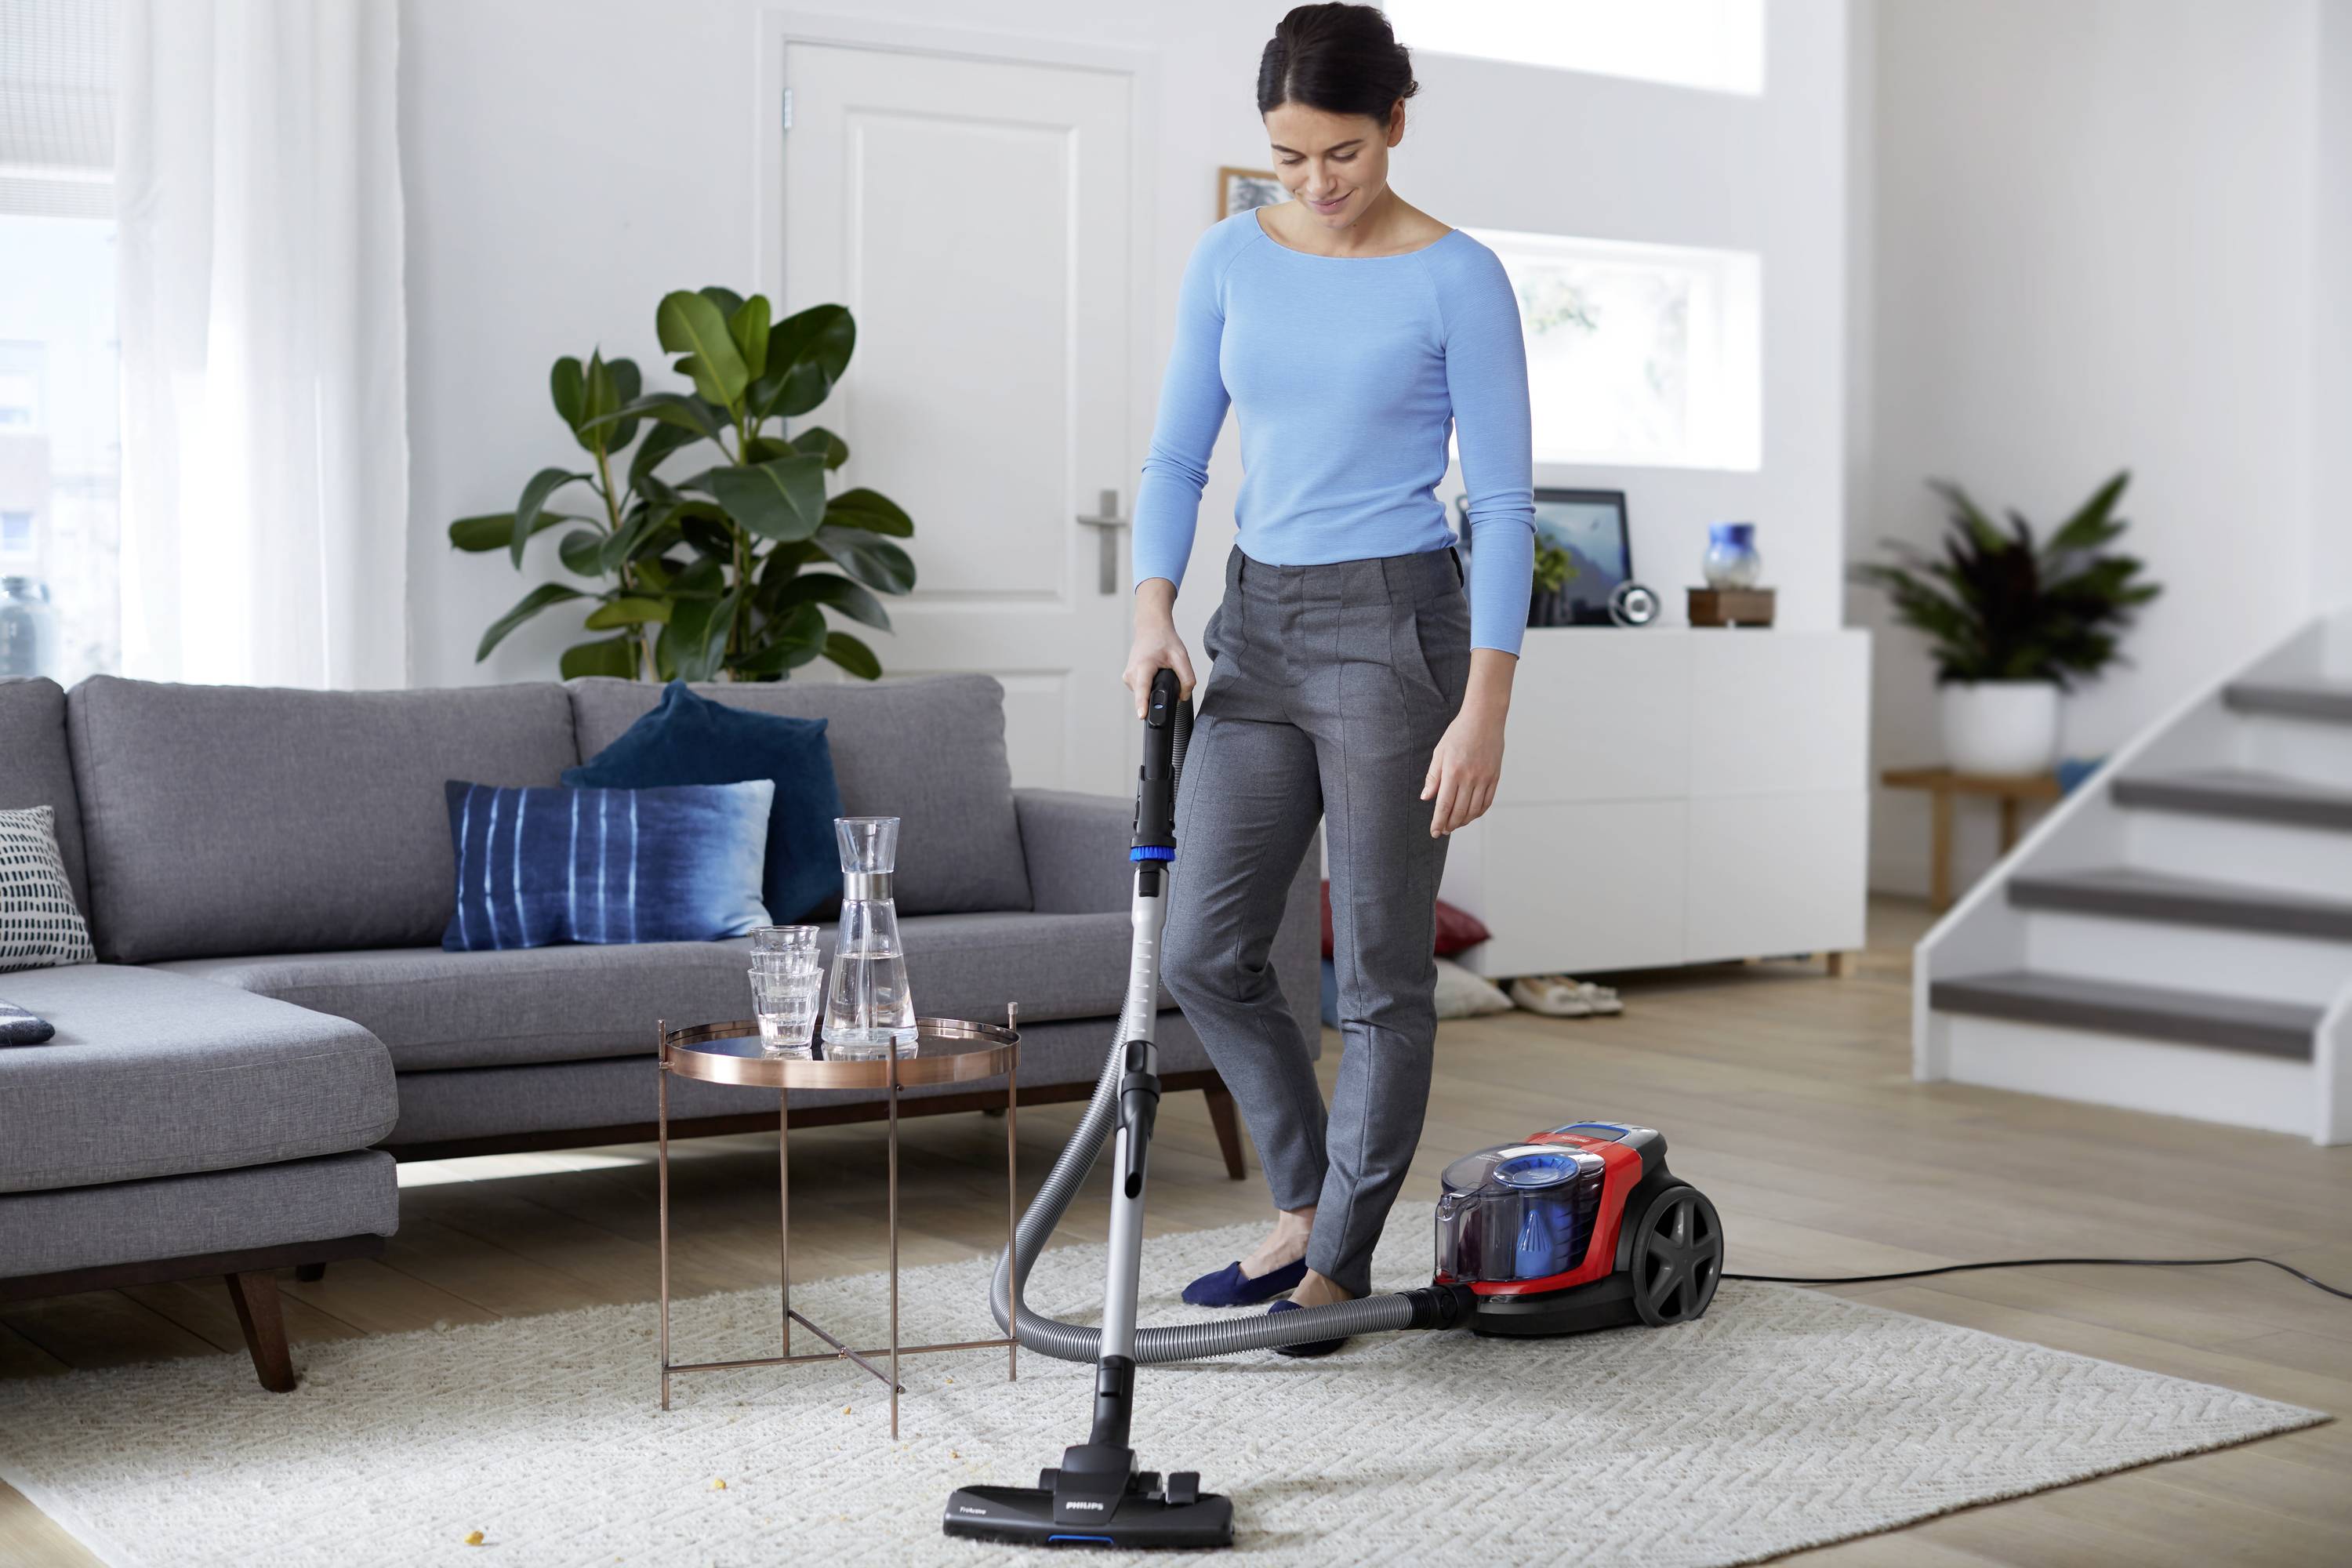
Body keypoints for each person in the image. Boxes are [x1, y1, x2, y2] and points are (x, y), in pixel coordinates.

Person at [1122, 2, 1534, 1355]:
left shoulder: (1457, 276)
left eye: (1341, 153)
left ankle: (1338, 1267)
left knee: (1378, 976)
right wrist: (1154, 611)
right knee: (1205, 949)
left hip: (1395, 629)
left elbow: (1505, 507)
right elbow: (1178, 457)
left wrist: (1484, 706)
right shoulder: (1231, 257)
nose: (1315, 182)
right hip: (1256, 626)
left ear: (1396, 121)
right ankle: (1307, 1203)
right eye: (1289, 157)